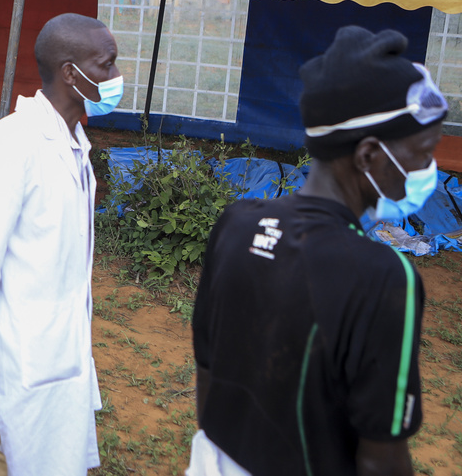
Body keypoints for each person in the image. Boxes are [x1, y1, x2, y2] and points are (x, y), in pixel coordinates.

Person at [189, 26, 446, 476]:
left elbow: (208, 373)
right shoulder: (383, 276)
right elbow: (381, 458)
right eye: (423, 153)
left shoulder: (236, 222)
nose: (429, 170)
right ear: (368, 156)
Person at [0, 12, 124, 475]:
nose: (116, 77)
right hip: (15, 363)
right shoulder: (13, 145)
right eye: (106, 65)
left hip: (60, 353)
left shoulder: (74, 144)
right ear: (71, 72)